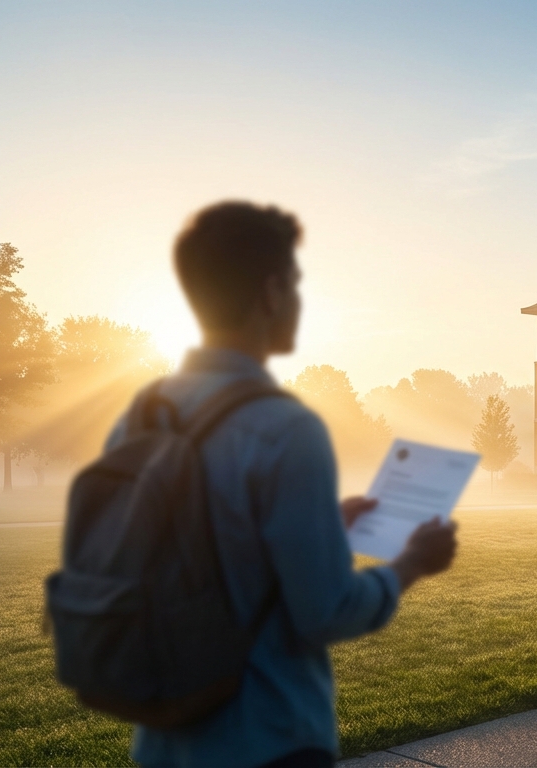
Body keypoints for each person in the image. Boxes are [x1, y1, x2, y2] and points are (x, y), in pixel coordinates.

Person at [112, 201, 457, 768]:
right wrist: (410, 565)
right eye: (295, 283)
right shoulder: (286, 429)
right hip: (268, 739)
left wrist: (326, 530)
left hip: (165, 740)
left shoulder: (143, 415)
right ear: (271, 293)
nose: (298, 300)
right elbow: (324, 611)